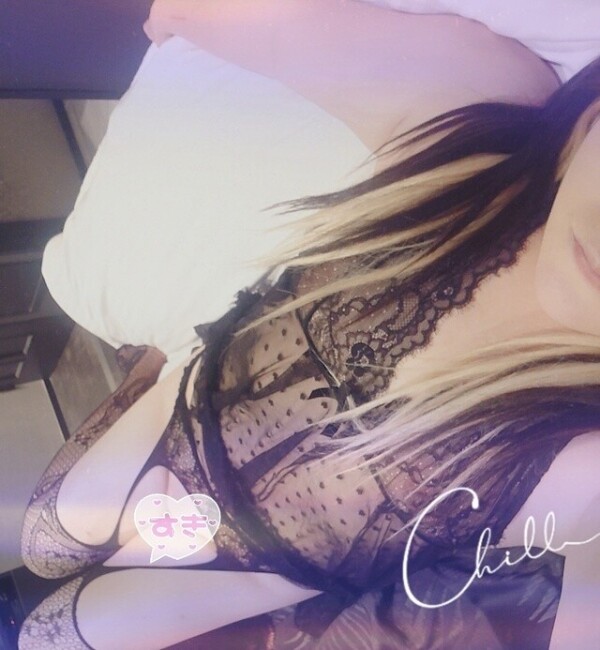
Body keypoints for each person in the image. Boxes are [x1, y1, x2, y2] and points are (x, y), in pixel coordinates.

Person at [18, 1, 600, 648]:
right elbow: (254, 28)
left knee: (51, 636)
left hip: (237, 571)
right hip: (178, 413)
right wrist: (188, 16)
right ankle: (154, 371)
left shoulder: (585, 462)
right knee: (46, 537)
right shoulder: (481, 127)